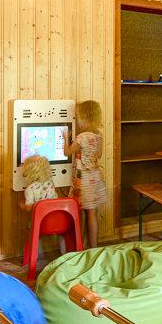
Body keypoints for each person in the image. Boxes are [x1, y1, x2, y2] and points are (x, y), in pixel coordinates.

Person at [67, 100, 108, 246]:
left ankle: (79, 246)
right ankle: (93, 246)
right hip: (95, 178)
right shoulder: (98, 135)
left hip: (83, 180)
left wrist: (65, 138)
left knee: (79, 212)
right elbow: (99, 155)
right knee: (92, 213)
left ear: (84, 118)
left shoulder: (81, 137)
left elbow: (67, 152)